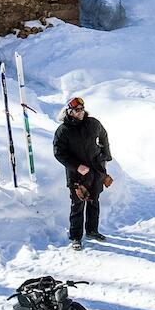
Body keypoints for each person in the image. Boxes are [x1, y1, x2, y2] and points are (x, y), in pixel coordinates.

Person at [52, 95, 112, 250]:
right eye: (77, 110)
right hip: (76, 175)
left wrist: (105, 155)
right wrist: (76, 166)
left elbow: (104, 136)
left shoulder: (93, 123)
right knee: (77, 204)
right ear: (69, 112)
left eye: (82, 109)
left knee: (94, 201)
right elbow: (59, 153)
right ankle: (76, 237)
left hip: (96, 170)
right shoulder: (62, 131)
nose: (80, 112)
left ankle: (92, 231)